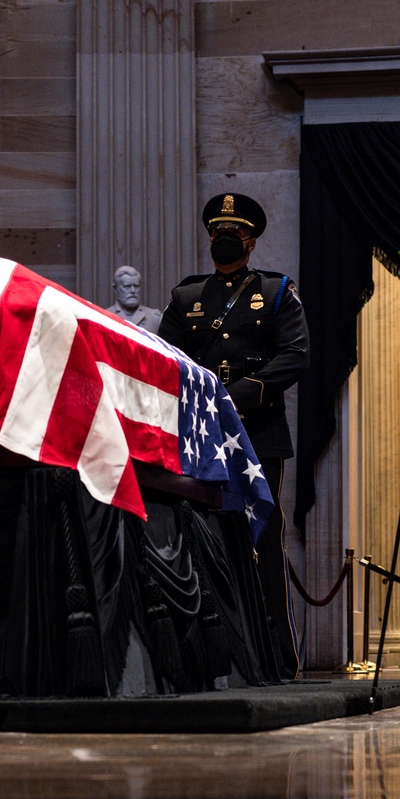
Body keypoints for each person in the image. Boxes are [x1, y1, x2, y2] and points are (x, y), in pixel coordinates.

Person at [158, 194, 309, 678]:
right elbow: (164, 358)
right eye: (217, 229)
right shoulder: (187, 297)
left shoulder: (278, 290)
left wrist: (238, 394)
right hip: (200, 433)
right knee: (200, 534)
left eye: (235, 230)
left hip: (257, 431)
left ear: (251, 240)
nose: (225, 237)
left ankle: (277, 660)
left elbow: (296, 355)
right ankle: (211, 659)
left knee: (261, 533)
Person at [105, 264, 161, 332]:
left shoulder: (155, 318)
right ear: (115, 288)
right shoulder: (105, 317)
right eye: (127, 286)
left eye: (136, 286)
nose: (133, 291)